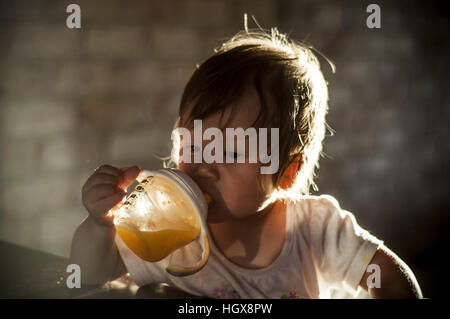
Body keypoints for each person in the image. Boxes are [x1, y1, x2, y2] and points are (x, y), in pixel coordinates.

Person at [70, 28, 422, 299]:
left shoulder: (315, 230)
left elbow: (389, 277)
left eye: (233, 152)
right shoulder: (170, 230)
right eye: (193, 144)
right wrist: (100, 225)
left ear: (287, 173)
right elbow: (89, 274)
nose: (204, 165)